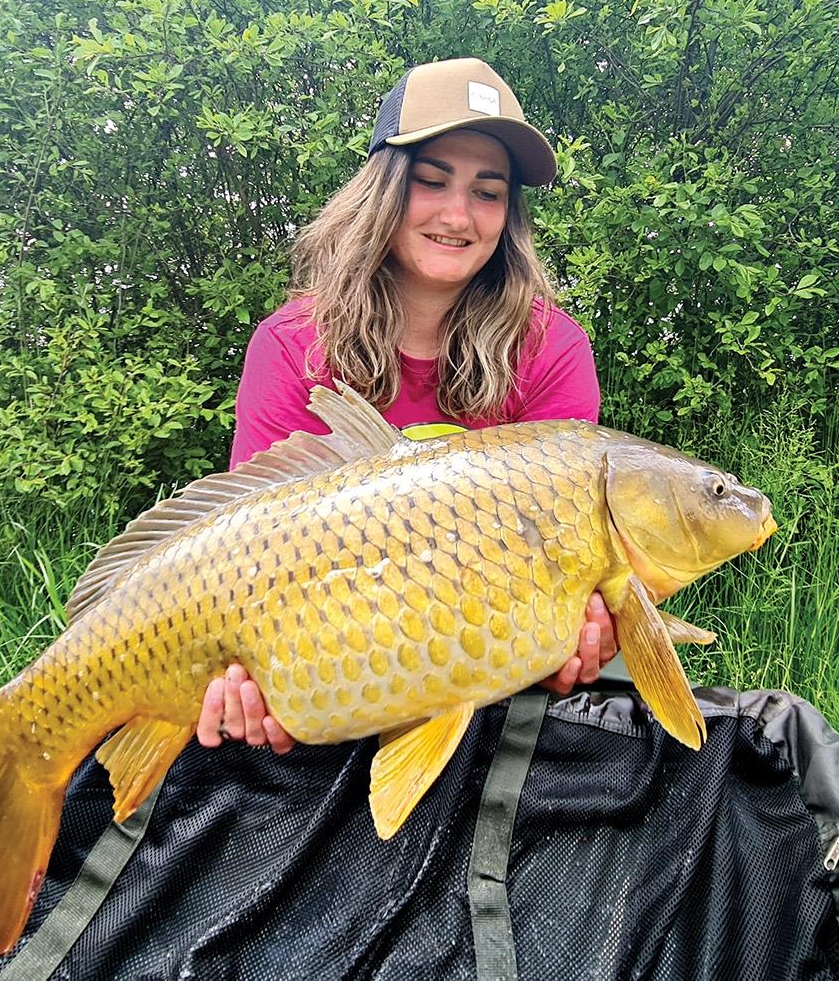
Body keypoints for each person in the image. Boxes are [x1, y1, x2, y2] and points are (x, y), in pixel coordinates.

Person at [196, 58, 619, 756]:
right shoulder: (292, 345)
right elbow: (249, 556)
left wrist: (572, 637)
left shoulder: (552, 348)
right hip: (331, 655)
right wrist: (251, 679)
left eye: (488, 192)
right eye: (432, 181)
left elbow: (566, 575)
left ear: (509, 215)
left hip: (490, 668)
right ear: (384, 190)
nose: (457, 215)